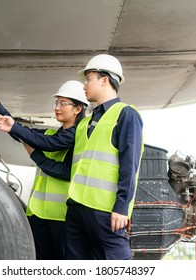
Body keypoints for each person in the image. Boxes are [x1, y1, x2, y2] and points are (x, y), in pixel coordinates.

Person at [0, 80, 89, 260]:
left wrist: (35, 154)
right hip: (38, 214)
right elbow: (25, 134)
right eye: (56, 103)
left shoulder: (78, 137)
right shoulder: (52, 134)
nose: (57, 107)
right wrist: (0, 108)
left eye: (63, 103)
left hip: (62, 217)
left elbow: (64, 170)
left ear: (78, 109)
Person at [65, 54, 144, 259]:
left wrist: (121, 207)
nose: (84, 85)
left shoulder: (126, 114)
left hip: (106, 212)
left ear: (104, 80)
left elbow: (130, 164)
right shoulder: (89, 121)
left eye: (88, 79)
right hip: (77, 207)